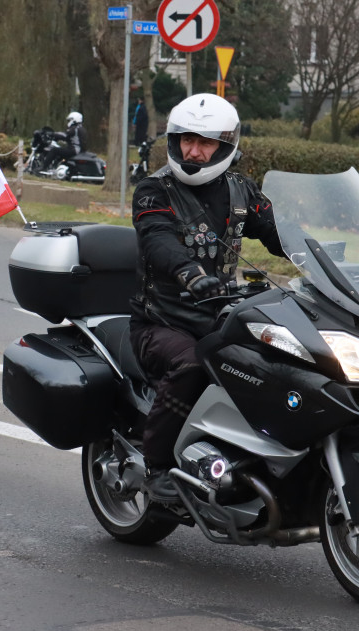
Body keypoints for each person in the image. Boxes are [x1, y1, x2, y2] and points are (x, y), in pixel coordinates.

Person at [129, 93, 288, 502]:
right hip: (162, 322)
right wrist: (190, 273)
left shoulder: (240, 191)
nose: (193, 151)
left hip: (222, 317)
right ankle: (159, 465)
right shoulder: (154, 190)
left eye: (205, 143)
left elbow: (279, 232)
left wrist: (327, 255)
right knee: (193, 363)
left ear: (225, 146)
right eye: (186, 140)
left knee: (283, 360)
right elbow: (158, 241)